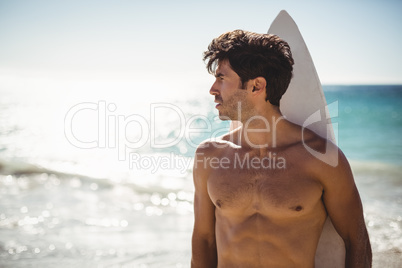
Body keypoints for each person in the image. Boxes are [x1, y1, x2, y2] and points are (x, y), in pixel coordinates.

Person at [191, 30, 372, 268]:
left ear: (256, 86)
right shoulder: (210, 156)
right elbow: (203, 240)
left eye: (222, 78)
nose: (213, 89)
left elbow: (356, 242)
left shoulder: (322, 159)